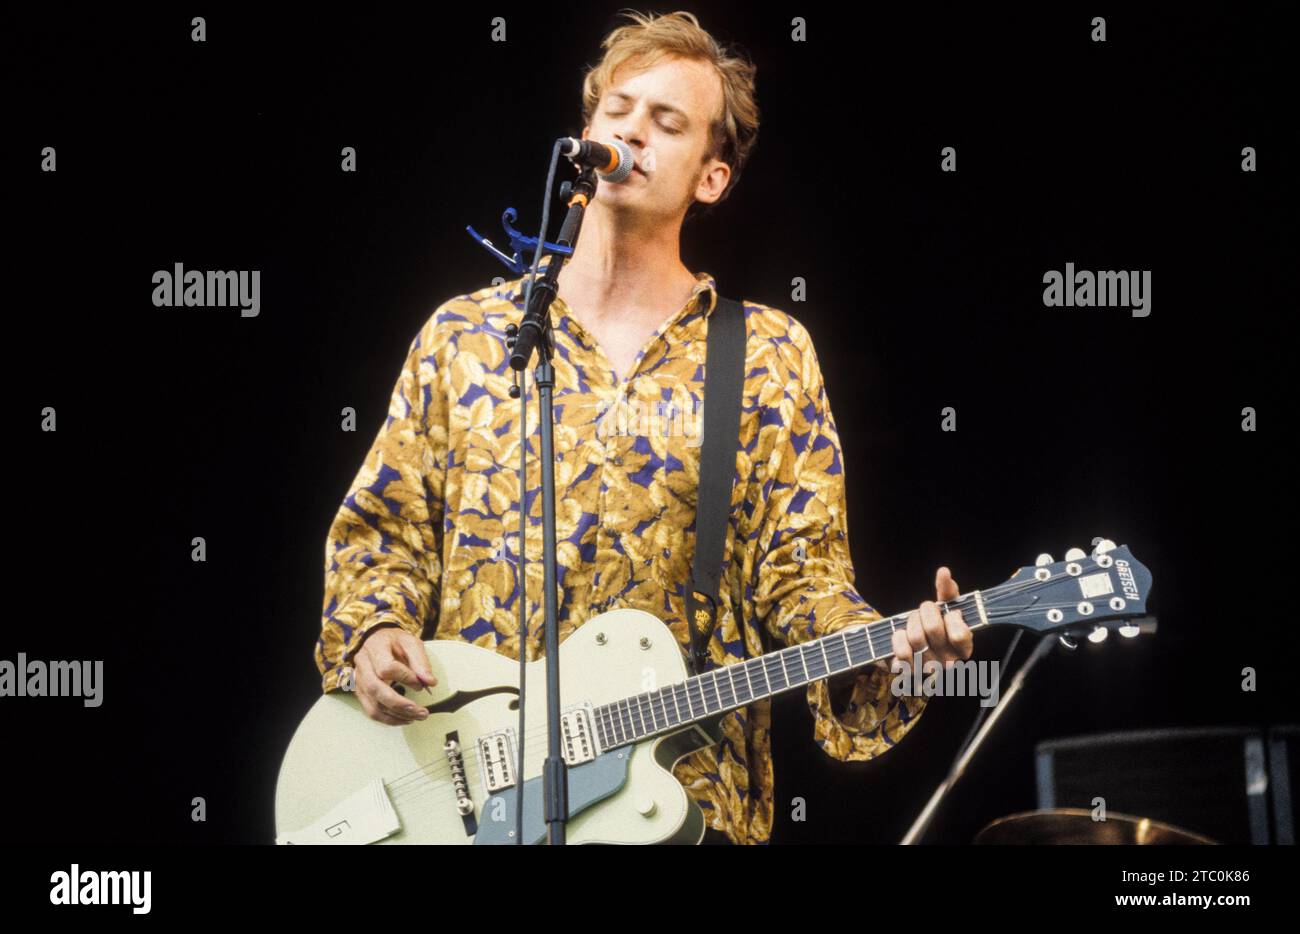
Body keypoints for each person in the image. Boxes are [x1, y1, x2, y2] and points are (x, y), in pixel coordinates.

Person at [313, 10, 973, 845]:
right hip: (466, 803)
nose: (632, 131)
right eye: (616, 111)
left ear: (711, 179)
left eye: (667, 123)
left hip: (683, 807)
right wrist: (373, 632)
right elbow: (381, 533)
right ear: (584, 136)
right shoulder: (468, 337)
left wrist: (892, 658)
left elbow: (803, 584)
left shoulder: (767, 353)